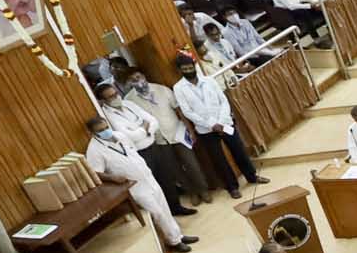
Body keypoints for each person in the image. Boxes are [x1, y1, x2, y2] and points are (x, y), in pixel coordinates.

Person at [83, 116, 194, 253]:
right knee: (157, 213)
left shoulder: (120, 136)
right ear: (92, 133)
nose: (106, 131)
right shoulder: (94, 150)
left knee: (164, 208)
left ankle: (178, 236)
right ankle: (173, 242)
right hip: (135, 186)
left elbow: (133, 152)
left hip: (147, 177)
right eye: (101, 130)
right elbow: (96, 172)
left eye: (106, 127)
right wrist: (112, 177)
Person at [173, 55, 267, 198]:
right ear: (180, 70)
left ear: (194, 66)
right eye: (184, 69)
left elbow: (223, 100)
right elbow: (187, 112)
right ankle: (232, 187)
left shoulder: (209, 80)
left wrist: (221, 121)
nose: (188, 71)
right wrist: (211, 124)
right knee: (219, 160)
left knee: (239, 151)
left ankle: (252, 177)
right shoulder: (179, 88)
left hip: (225, 123)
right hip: (205, 130)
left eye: (190, 68)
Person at [98, 80, 196, 216]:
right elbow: (130, 136)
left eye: (116, 94)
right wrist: (144, 127)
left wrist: (143, 129)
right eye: (111, 97)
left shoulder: (128, 104)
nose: (116, 97)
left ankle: (176, 207)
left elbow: (153, 121)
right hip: (140, 153)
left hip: (154, 146)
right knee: (153, 185)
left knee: (166, 178)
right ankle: (163, 214)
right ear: (103, 101)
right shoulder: (107, 115)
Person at [122, 67, 210, 208]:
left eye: (138, 77)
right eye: (132, 80)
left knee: (191, 163)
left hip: (177, 133)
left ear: (144, 76)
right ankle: (191, 192)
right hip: (158, 140)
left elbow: (179, 110)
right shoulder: (129, 100)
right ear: (128, 83)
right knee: (174, 169)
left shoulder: (162, 89)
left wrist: (190, 130)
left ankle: (203, 190)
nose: (137, 81)